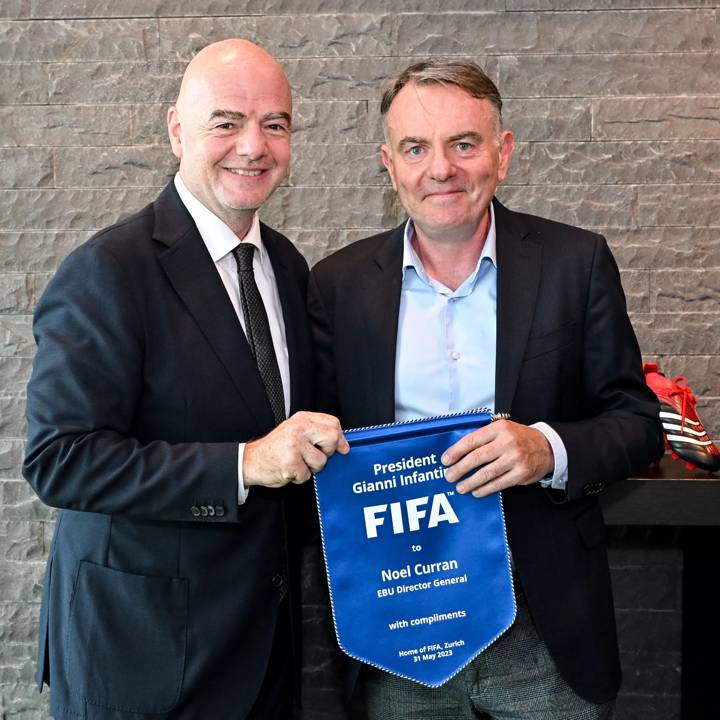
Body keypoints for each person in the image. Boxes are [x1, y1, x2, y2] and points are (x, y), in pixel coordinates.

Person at [308, 61, 663, 720]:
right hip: (399, 634)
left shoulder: (575, 263)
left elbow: (637, 421)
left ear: (503, 154)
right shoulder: (337, 286)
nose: (440, 168)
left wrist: (547, 449)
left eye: (463, 144)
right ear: (389, 164)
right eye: (416, 148)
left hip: (543, 628)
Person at [22, 39, 348, 720]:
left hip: (262, 655)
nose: (253, 146)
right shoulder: (108, 271)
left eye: (275, 125)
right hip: (140, 660)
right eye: (226, 122)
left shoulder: (286, 268)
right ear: (177, 129)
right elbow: (59, 459)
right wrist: (245, 464)